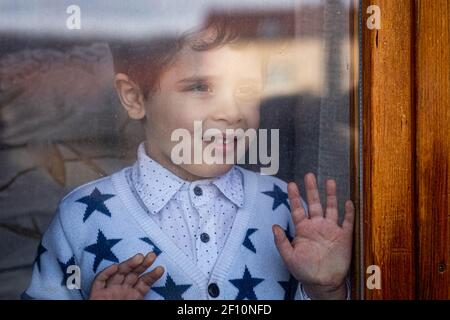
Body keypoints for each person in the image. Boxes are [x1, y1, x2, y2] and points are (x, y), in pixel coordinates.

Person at [23, 17, 354, 300]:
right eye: (200, 86)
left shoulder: (285, 208)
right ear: (134, 97)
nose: (231, 112)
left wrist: (324, 290)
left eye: (248, 90)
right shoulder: (81, 216)